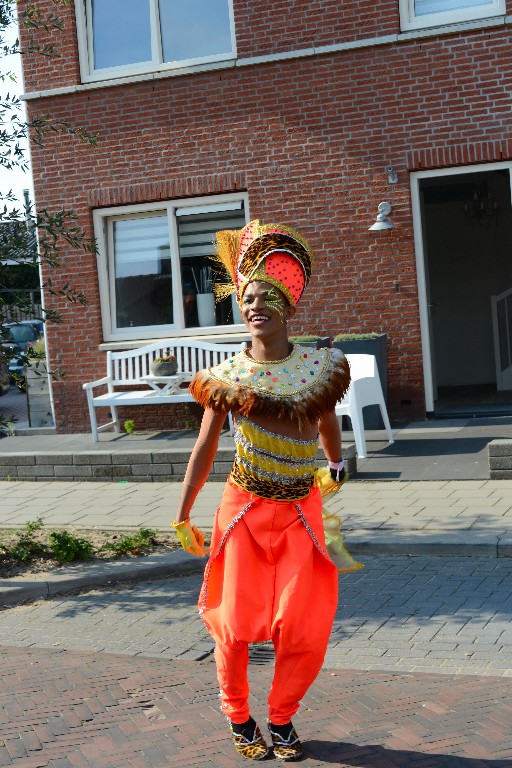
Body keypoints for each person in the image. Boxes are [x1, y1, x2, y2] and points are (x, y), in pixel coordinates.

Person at [172, 220, 352, 761]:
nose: (255, 306)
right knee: (234, 624)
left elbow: (324, 422)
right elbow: (204, 448)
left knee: (304, 622)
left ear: (287, 306)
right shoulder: (227, 376)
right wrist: (183, 513)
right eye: (247, 298)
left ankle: (282, 717)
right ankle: (239, 715)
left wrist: (336, 465)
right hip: (244, 510)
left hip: (301, 508)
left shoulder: (320, 367)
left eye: (266, 297)